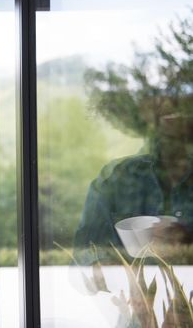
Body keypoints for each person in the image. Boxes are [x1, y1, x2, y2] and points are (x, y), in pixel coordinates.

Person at [73, 96, 193, 264]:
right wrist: (100, 267)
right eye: (163, 114)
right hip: (129, 289)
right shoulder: (116, 179)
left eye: (180, 111)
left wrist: (188, 246)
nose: (171, 119)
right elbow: (80, 256)